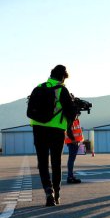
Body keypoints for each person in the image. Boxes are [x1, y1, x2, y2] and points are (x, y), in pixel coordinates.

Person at [30, 65, 76, 206]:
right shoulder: (62, 90)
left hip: (38, 129)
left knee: (42, 162)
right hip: (56, 131)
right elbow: (71, 113)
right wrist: (69, 129)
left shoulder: (39, 87)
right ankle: (56, 194)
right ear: (62, 77)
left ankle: (48, 191)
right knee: (56, 162)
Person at [65, 115, 84, 184]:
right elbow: (69, 130)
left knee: (72, 159)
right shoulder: (71, 118)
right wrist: (73, 140)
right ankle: (70, 177)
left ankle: (70, 176)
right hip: (73, 142)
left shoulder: (75, 119)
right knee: (71, 159)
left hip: (75, 142)